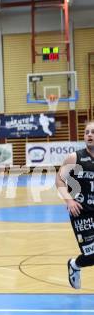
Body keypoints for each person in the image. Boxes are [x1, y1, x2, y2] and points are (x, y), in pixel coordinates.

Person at [56, 120, 94, 289]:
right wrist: (69, 200)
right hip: (82, 213)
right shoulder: (75, 157)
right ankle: (75, 264)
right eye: (87, 132)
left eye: (92, 132)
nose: (89, 135)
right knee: (92, 255)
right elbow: (59, 179)